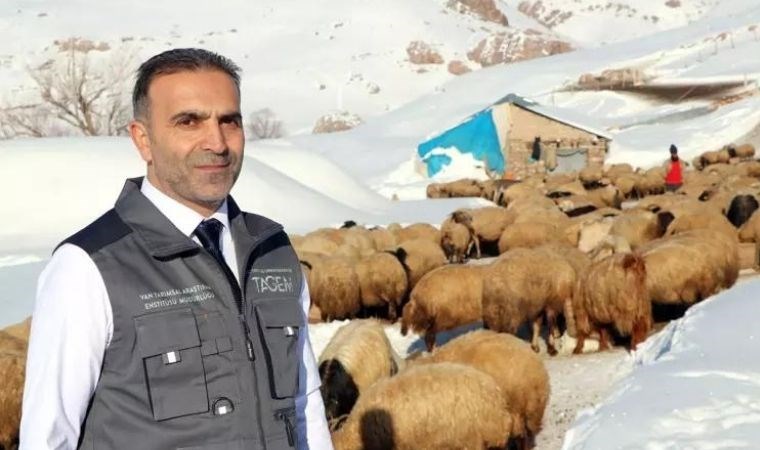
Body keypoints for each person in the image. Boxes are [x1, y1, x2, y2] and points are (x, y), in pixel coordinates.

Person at [20, 48, 333, 450]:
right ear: (143, 140)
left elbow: (304, 405)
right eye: (189, 122)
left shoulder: (271, 250)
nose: (217, 142)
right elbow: (47, 437)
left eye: (229, 121)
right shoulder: (88, 267)